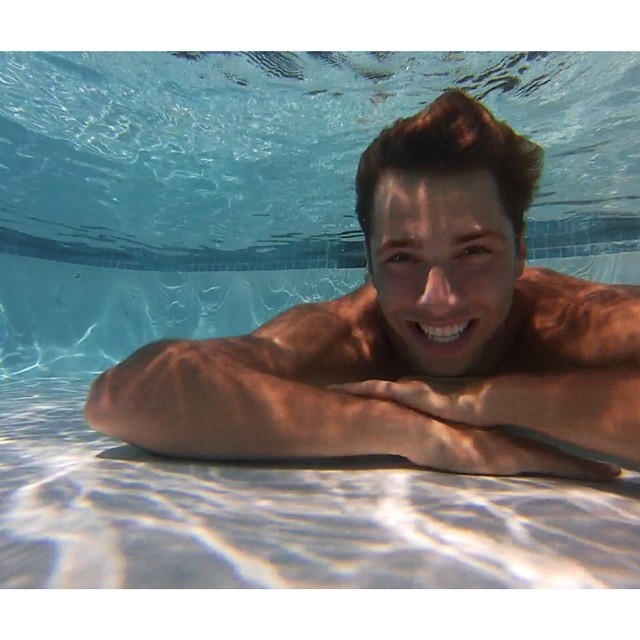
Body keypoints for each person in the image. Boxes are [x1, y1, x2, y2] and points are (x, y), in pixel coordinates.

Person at [84, 90, 640, 481]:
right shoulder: (347, 337)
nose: (437, 297)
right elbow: (123, 397)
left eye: (474, 252)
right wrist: (406, 431)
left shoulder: (572, 321)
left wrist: (491, 400)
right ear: (370, 268)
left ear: (521, 252)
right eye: (403, 257)